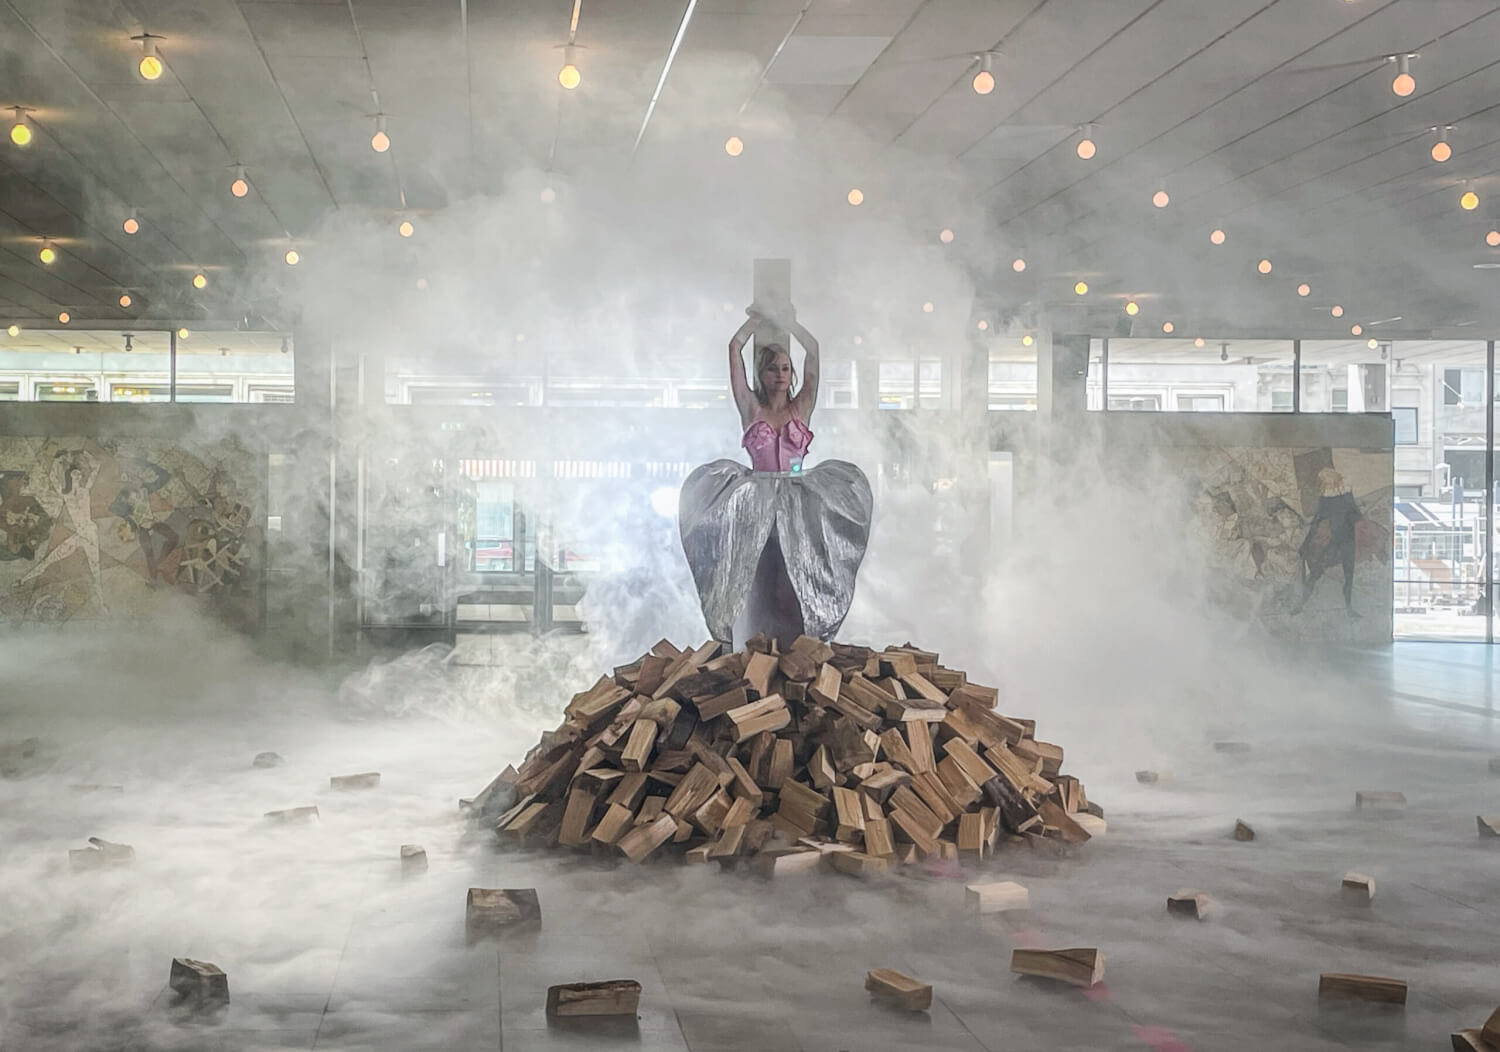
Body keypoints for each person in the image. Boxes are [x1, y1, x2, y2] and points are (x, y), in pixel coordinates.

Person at [678, 304, 873, 648]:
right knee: (757, 575)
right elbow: (733, 350)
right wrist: (757, 320)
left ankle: (799, 645)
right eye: (772, 369)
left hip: (797, 499)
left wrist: (789, 323)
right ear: (763, 375)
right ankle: (755, 645)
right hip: (757, 498)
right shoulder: (752, 407)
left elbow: (813, 351)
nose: (780, 375)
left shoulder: (802, 407)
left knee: (797, 574)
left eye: (785, 368)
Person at [1292, 466, 1361, 619]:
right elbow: (1356, 517)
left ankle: (1348, 608)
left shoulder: (1332, 499)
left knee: (1343, 575)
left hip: (1344, 542)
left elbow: (1355, 517)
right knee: (1318, 572)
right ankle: (1302, 604)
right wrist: (1306, 544)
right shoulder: (1333, 499)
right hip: (1338, 542)